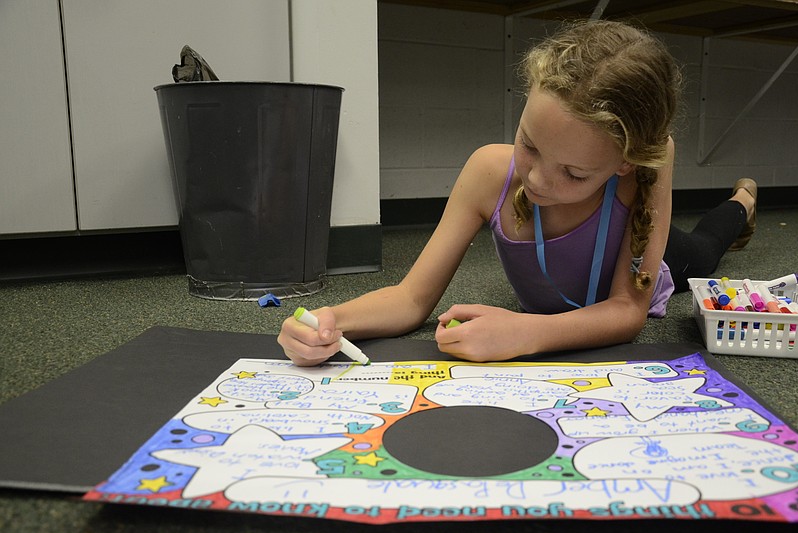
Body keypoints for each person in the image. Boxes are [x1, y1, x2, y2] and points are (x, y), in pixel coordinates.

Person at [278, 19, 757, 366]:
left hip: (651, 247)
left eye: (573, 173)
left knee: (705, 249)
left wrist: (527, 331)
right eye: (528, 144)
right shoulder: (490, 170)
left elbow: (628, 311)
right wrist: (328, 319)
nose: (540, 181)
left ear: (626, 163)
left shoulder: (648, 166)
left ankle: (742, 202)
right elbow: (409, 299)